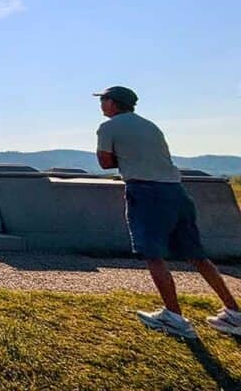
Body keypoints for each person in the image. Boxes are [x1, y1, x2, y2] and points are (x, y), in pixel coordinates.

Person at [94, 85, 241, 338]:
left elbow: (105, 162)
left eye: (104, 99)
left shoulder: (108, 127)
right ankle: (234, 313)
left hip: (145, 192)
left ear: (114, 103)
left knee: (153, 255)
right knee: (196, 255)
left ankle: (174, 317)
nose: (101, 104)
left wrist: (126, 159)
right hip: (176, 191)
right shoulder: (151, 126)